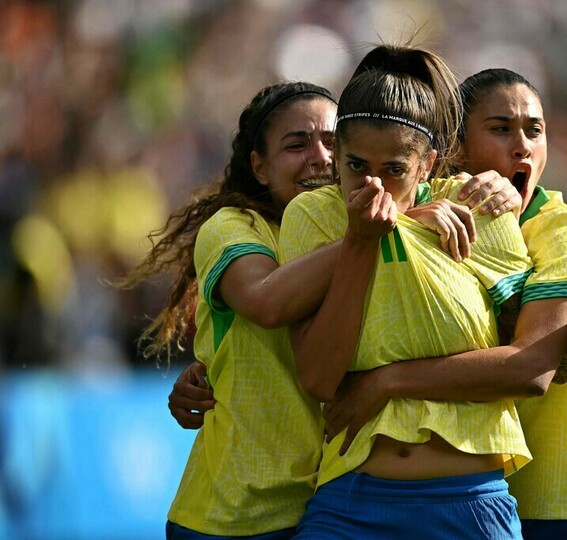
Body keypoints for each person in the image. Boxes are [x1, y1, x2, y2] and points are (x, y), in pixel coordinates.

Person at [129, 78, 521, 538]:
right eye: (297, 145)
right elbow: (267, 302)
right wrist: (395, 223)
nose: (319, 158)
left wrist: (498, 189)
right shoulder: (237, 227)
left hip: (326, 499)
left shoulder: (354, 221)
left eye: (332, 143)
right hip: (232, 512)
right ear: (259, 166)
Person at [322, 68, 567, 540]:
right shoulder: (426, 217)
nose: (522, 146)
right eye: (501, 129)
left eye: (534, 131)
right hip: (499, 490)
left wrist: (387, 382)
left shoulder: (563, 231)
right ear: (453, 147)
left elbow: (539, 367)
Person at [281, 44, 534, 539]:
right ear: (336, 161)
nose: (372, 184)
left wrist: (386, 381)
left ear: (426, 165)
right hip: (351, 505)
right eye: (355, 165)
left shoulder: (480, 207)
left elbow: (527, 369)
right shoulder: (313, 217)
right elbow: (318, 378)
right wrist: (362, 240)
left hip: (469, 505)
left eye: (395, 169)